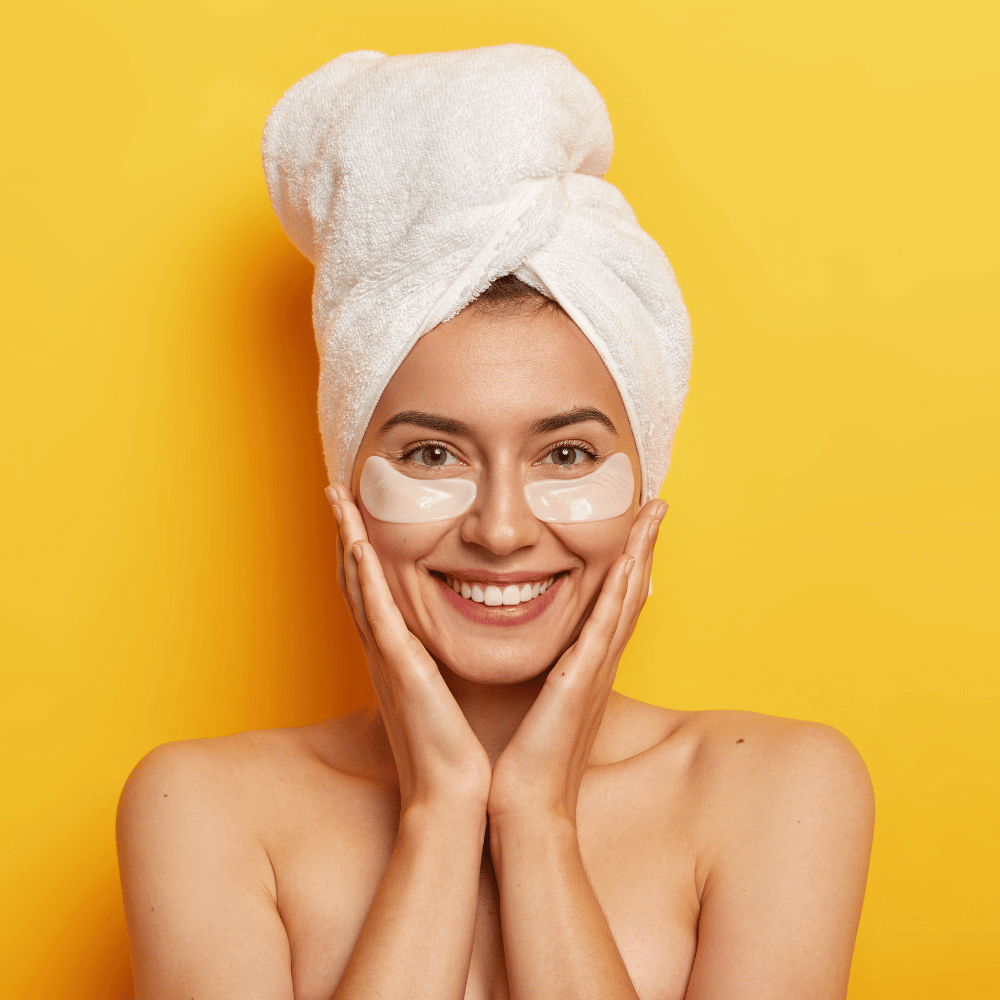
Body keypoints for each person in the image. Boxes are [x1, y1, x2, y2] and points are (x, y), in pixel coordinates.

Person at [116, 45, 874, 1000]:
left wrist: (537, 822)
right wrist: (441, 814)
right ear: (346, 489)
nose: (503, 529)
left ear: (645, 489)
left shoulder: (779, 794)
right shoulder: (204, 811)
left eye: (566, 455)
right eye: (433, 455)